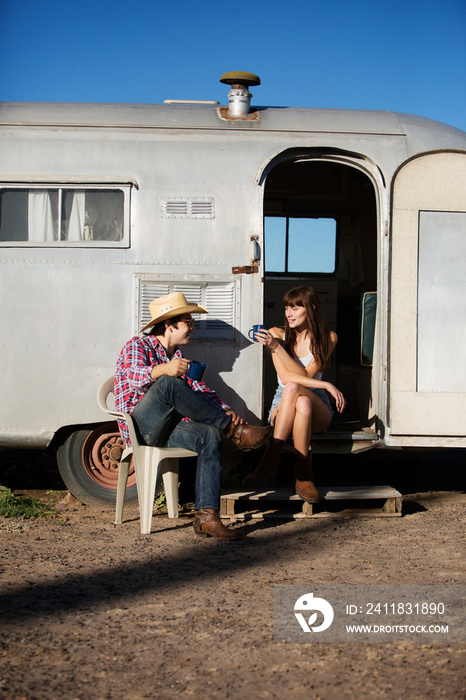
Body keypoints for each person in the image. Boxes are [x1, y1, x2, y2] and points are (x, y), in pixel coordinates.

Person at [114, 292, 271, 540]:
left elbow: (198, 391)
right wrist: (162, 370)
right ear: (169, 325)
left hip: (169, 429)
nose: (193, 327)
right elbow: (130, 376)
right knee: (168, 384)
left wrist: (225, 410)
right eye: (188, 322)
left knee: (209, 434)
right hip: (141, 428)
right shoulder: (138, 345)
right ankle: (235, 432)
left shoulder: (178, 357)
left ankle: (206, 518)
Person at [243, 286, 346, 503]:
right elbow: (287, 378)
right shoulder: (277, 334)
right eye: (287, 307)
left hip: (318, 403)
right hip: (283, 403)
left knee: (304, 398)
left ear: (312, 308)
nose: (289, 313)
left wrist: (277, 349)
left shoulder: (328, 337)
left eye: (296, 307)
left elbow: (304, 376)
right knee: (296, 396)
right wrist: (327, 383)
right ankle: (303, 476)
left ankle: (269, 464)